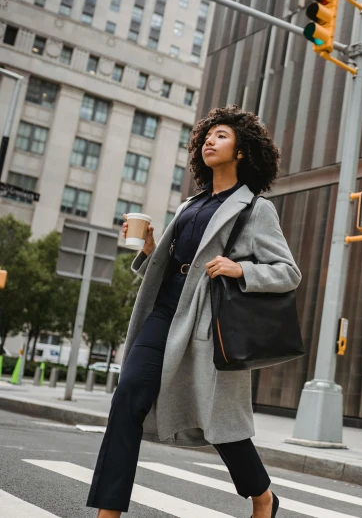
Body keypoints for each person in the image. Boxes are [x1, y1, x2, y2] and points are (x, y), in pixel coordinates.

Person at [87, 106, 301, 518]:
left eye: (221, 136)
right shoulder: (192, 203)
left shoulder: (255, 209)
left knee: (217, 421)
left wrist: (242, 268)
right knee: (127, 397)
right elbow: (176, 263)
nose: (209, 141)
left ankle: (262, 497)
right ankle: (107, 513)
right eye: (207, 136)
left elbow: (288, 272)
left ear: (242, 151)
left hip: (206, 321)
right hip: (165, 311)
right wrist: (150, 249)